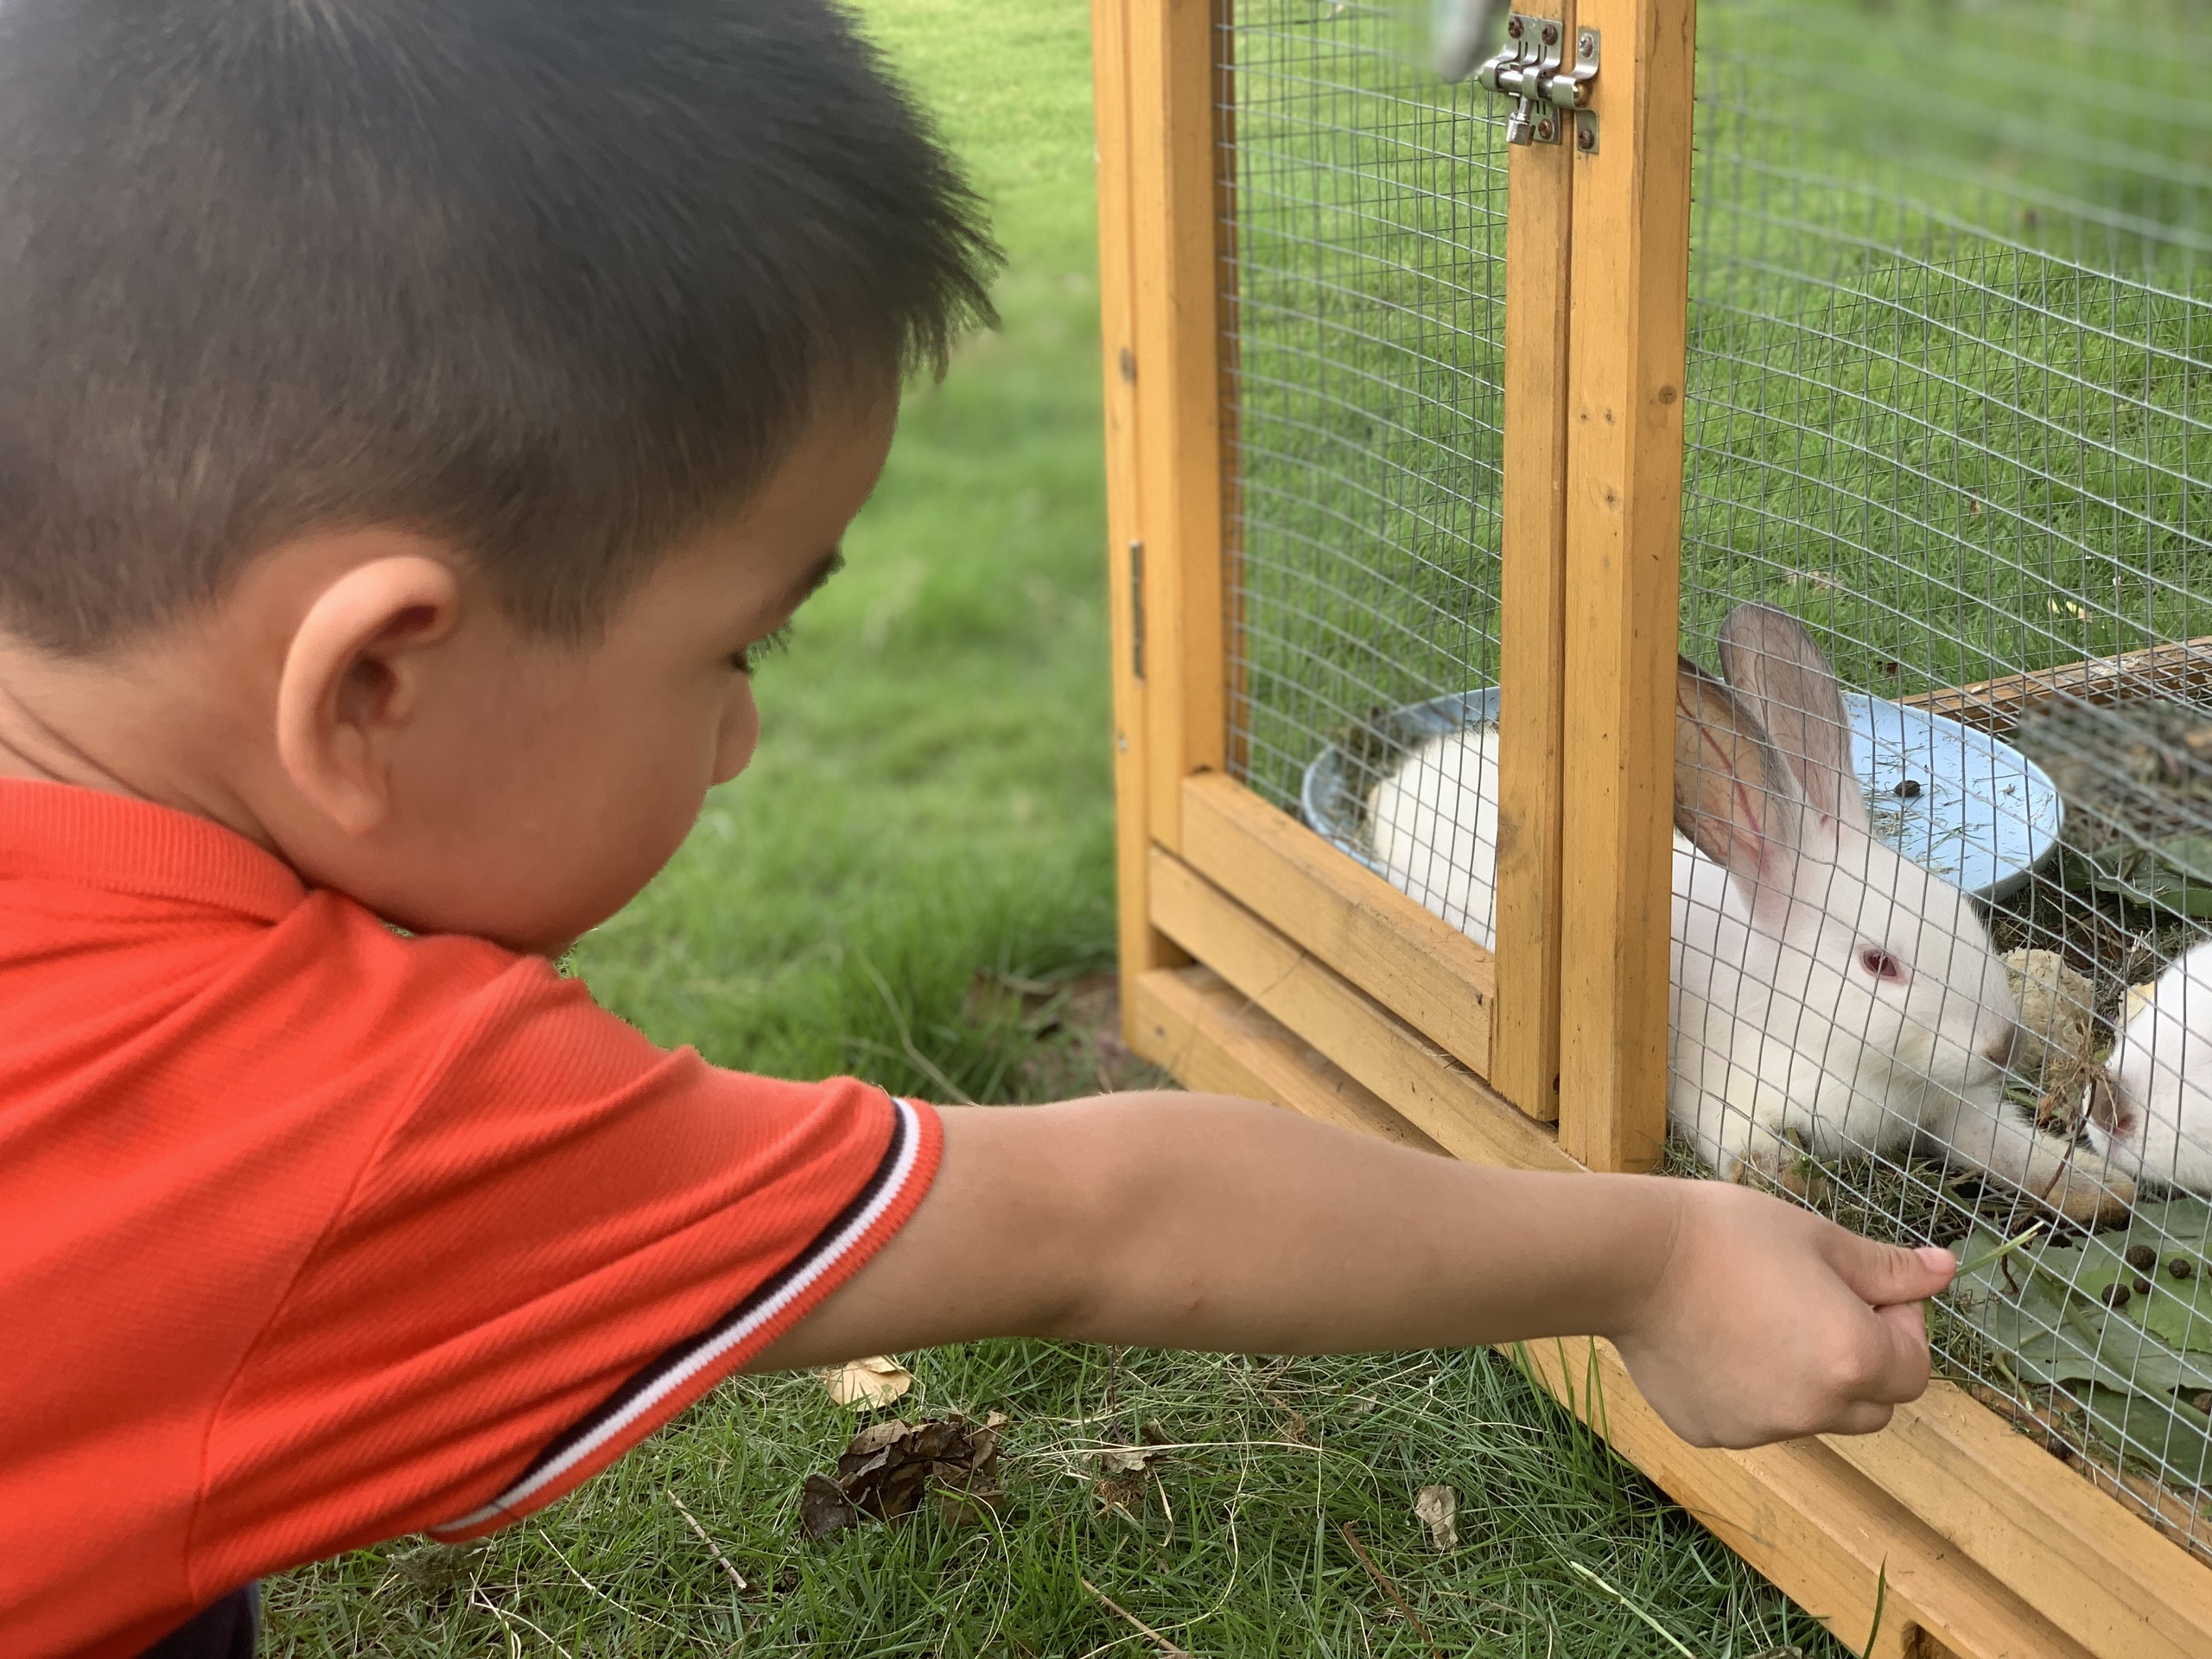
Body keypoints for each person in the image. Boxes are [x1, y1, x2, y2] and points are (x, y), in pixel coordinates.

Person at [0, 2, 1957, 1653]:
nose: (744, 739)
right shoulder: (330, 1122)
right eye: (734, 650)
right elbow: (1097, 1222)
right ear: (369, 690)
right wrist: (1656, 1263)